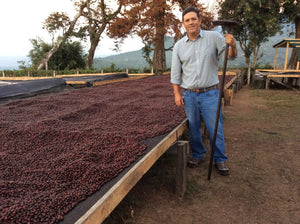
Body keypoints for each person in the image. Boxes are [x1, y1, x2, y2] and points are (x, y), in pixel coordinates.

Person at [171, 6, 237, 176]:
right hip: (189, 94)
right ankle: (198, 154)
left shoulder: (214, 37)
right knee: (193, 127)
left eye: (194, 19)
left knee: (215, 127)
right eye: (187, 20)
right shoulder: (179, 46)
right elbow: (175, 73)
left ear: (200, 20)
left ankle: (219, 159)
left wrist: (233, 45)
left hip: (210, 93)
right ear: (183, 24)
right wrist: (177, 94)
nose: (191, 22)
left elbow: (231, 56)